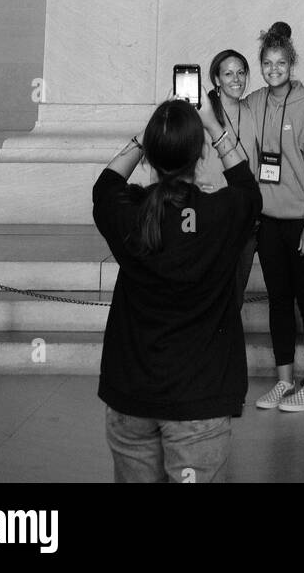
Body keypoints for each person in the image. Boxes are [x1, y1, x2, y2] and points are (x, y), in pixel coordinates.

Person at [92, 95, 260, 482]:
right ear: (199, 154)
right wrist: (214, 129)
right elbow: (248, 190)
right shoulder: (221, 213)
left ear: (150, 155)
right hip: (199, 397)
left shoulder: (130, 212)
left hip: (132, 393)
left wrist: (143, 139)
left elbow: (106, 184)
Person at [243, 21, 304, 412]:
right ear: (260, 66)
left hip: (302, 222)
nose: (274, 69)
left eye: (280, 63)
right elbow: (225, 117)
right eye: (267, 63)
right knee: (278, 301)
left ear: (291, 64)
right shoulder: (257, 102)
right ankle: (284, 380)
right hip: (269, 222)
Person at [206, 48, 259, 308]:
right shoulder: (202, 114)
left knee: (235, 296)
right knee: (212, 294)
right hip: (213, 218)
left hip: (245, 219)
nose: (236, 79)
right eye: (228, 73)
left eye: (240, 73)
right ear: (217, 79)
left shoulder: (251, 111)